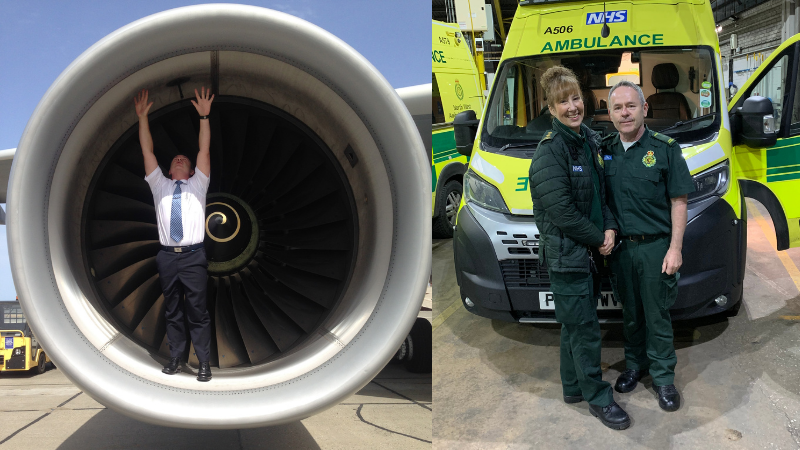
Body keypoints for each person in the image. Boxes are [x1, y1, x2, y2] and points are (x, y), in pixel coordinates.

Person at [529, 66, 630, 430]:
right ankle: (598, 398)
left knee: (574, 325)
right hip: (567, 256)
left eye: (575, 98)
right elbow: (563, 214)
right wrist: (598, 237)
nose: (572, 107)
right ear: (550, 108)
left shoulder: (587, 139)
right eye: (562, 101)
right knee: (585, 328)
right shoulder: (549, 153)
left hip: (586, 252)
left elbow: (600, 193)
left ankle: (572, 387)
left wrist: (610, 227)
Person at [602, 80, 694, 411]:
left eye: (630, 106)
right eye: (617, 107)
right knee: (630, 313)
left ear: (644, 109)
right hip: (621, 251)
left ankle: (663, 378)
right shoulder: (605, 151)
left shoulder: (665, 149)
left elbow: (679, 201)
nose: (624, 113)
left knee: (657, 315)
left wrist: (675, 248)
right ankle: (635, 366)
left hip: (656, 247)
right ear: (610, 114)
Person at [134, 87, 215, 382]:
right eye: (175, 159)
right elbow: (148, 151)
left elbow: (203, 149)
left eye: (185, 159)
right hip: (167, 257)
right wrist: (143, 118)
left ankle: (203, 362)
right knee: (173, 311)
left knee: (197, 311)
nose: (179, 159)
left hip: (194, 256)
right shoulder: (160, 186)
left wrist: (204, 116)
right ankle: (176, 358)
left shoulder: (198, 186)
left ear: (193, 171)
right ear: (168, 171)